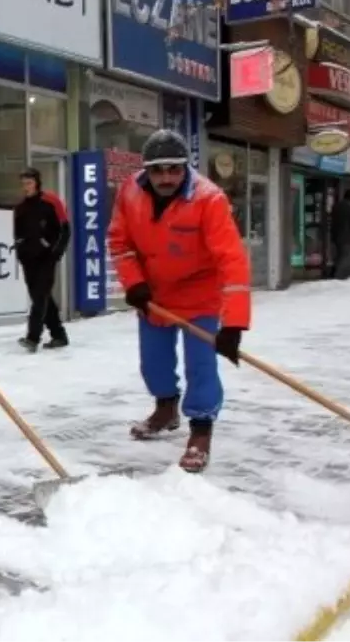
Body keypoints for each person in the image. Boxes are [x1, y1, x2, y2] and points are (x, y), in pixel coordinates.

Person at [107, 129, 250, 473]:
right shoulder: (129, 191)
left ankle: (201, 430)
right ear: (146, 171)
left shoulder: (209, 199)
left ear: (186, 167)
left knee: (200, 366)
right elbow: (119, 242)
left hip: (199, 295)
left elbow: (231, 260)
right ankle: (166, 407)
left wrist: (233, 324)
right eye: (158, 170)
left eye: (174, 169)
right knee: (153, 363)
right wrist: (135, 283)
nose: (166, 177)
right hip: (154, 296)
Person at [13, 167, 71, 352]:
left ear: (37, 183)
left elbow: (65, 229)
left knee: (39, 297)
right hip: (28, 259)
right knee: (42, 297)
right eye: (23, 184)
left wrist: (56, 251)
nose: (26, 187)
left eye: (29, 183)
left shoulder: (51, 201)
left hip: (47, 257)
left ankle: (33, 337)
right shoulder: (21, 207)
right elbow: (18, 234)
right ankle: (59, 335)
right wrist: (20, 251)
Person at [329, 188, 350, 279]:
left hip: (335, 235)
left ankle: (335, 271)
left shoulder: (336, 206)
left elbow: (332, 220)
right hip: (345, 236)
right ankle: (339, 274)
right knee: (345, 255)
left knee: (338, 254)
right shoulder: (349, 207)